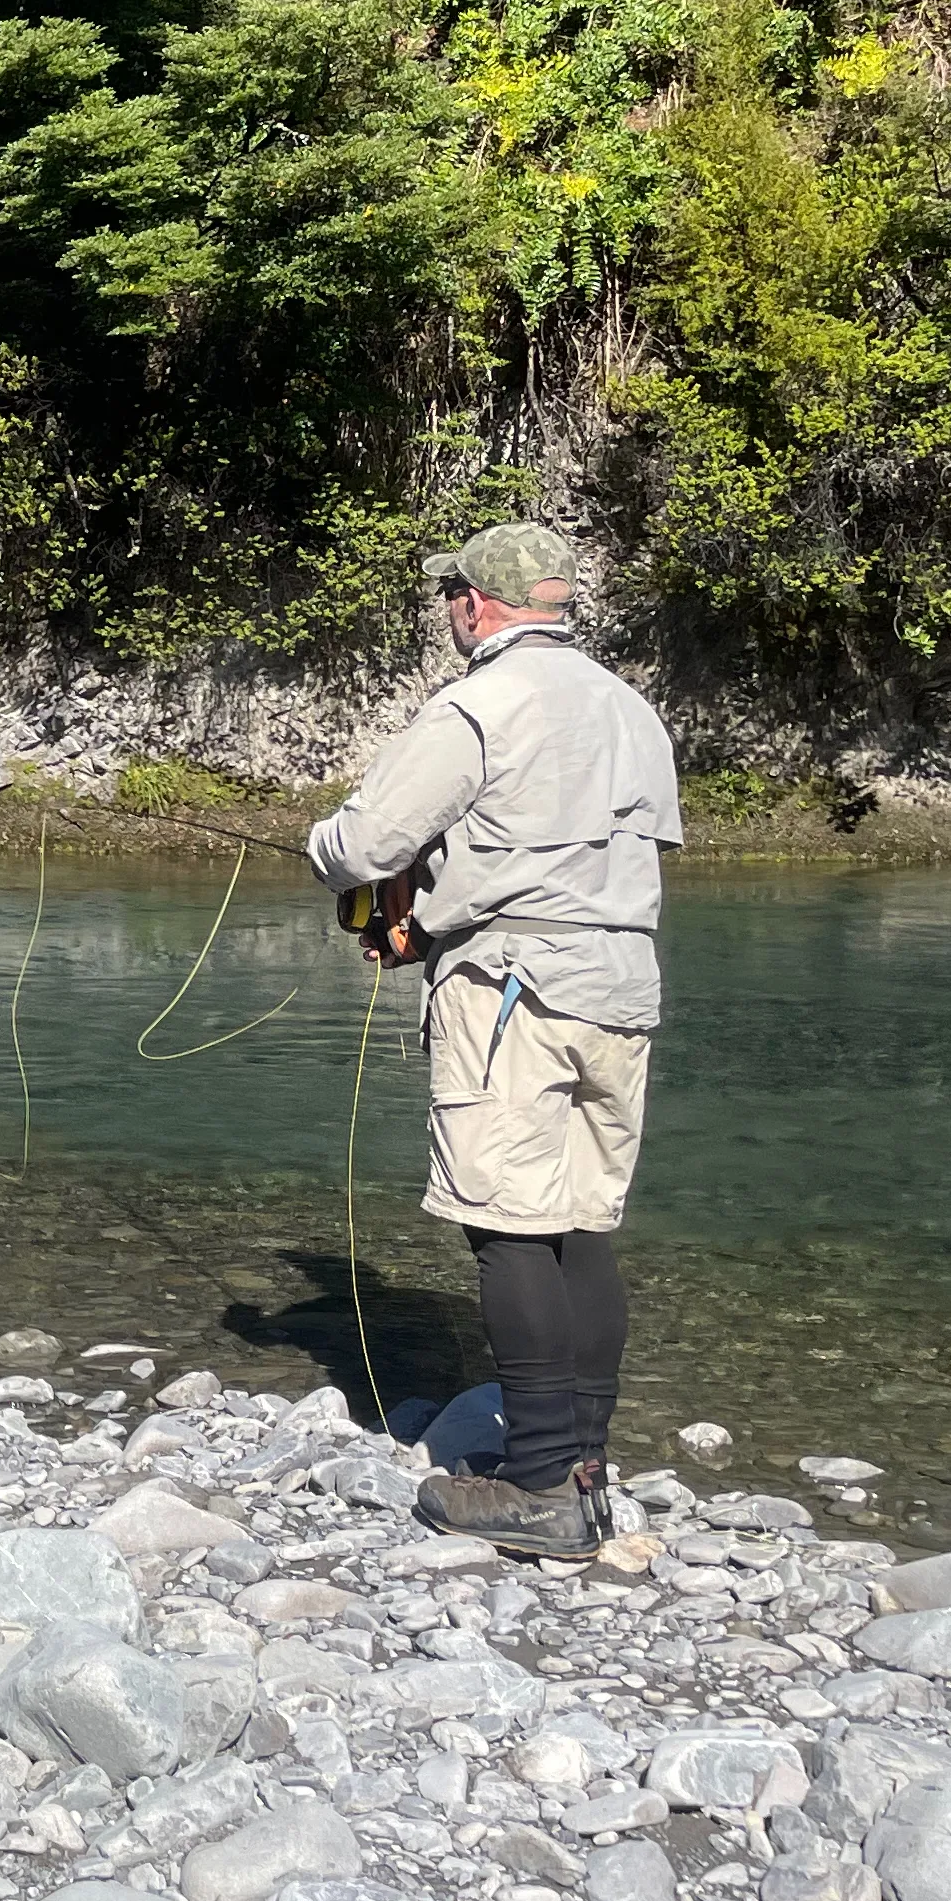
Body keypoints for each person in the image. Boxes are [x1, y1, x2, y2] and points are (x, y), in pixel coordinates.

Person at [305, 520, 682, 1560]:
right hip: (623, 987)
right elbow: (572, 859)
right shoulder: (631, 708)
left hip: (514, 989)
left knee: (509, 1225)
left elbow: (371, 841)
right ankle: (586, 1466)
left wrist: (327, 854)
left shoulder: (478, 704)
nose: (449, 615)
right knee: (579, 1225)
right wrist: (426, 920)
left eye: (451, 599)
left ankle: (538, 1491)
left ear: (477, 604)